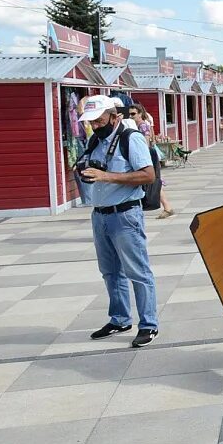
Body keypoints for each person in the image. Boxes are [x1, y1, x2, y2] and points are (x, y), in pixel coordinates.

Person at [77, 95, 161, 348]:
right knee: (110, 272)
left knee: (137, 270)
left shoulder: (130, 138)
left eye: (99, 120)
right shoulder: (95, 139)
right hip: (100, 214)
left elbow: (148, 175)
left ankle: (148, 324)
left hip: (125, 214)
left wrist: (106, 176)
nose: (95, 125)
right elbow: (89, 166)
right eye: (90, 121)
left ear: (114, 117)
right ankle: (120, 319)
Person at [128, 103, 175, 219]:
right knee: (153, 182)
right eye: (129, 114)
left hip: (147, 155)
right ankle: (167, 207)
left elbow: (145, 143)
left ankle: (167, 207)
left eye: (133, 114)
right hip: (145, 155)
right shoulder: (134, 126)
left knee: (153, 181)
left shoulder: (143, 126)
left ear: (140, 114)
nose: (131, 116)